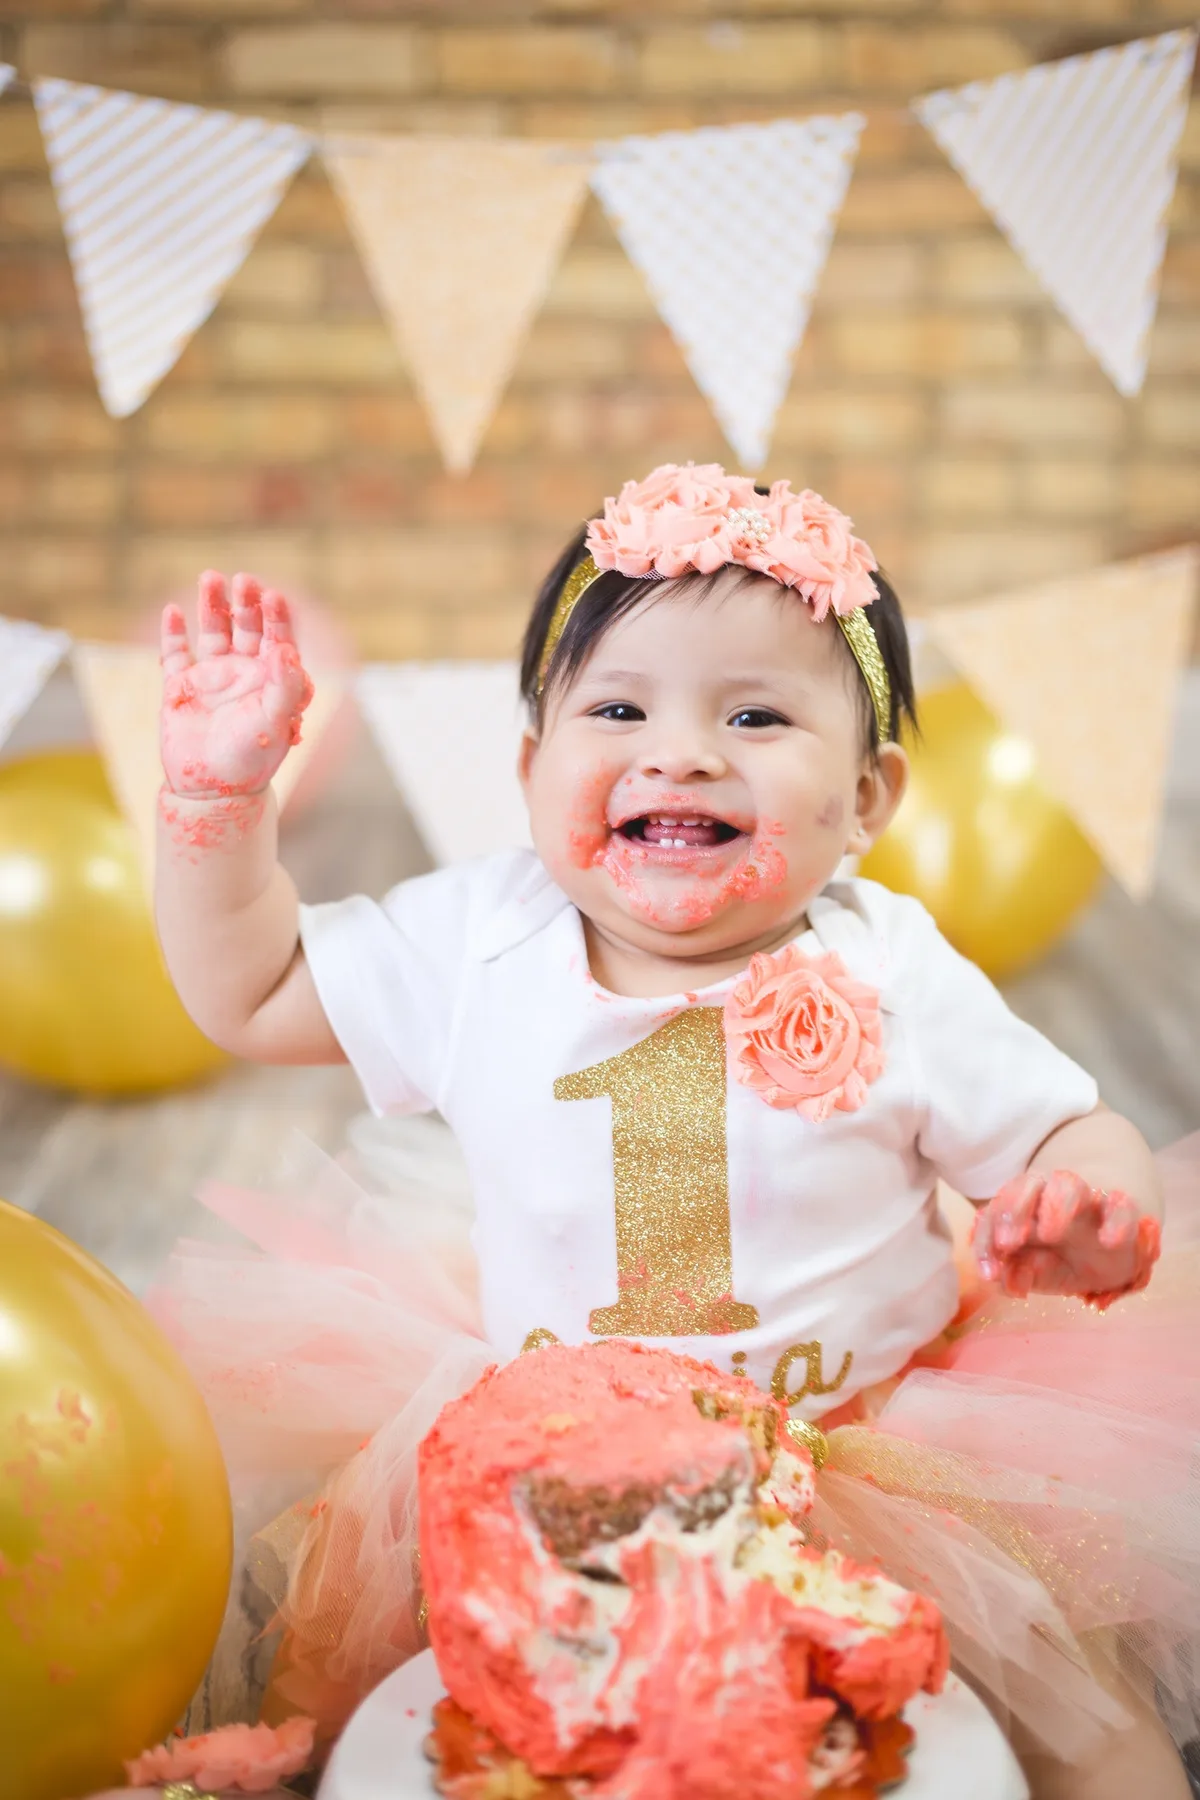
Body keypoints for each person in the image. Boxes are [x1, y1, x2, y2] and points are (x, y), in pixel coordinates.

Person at [152, 463, 1198, 1799]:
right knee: (400, 1701)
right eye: (620, 707)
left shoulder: (891, 972)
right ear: (532, 770)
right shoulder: (480, 942)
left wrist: (1089, 1204)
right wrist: (217, 804)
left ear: (868, 799)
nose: (682, 751)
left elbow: (1066, 1129)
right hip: (555, 1466)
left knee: (1074, 1721)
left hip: (859, 1451)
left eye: (756, 715)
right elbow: (249, 988)